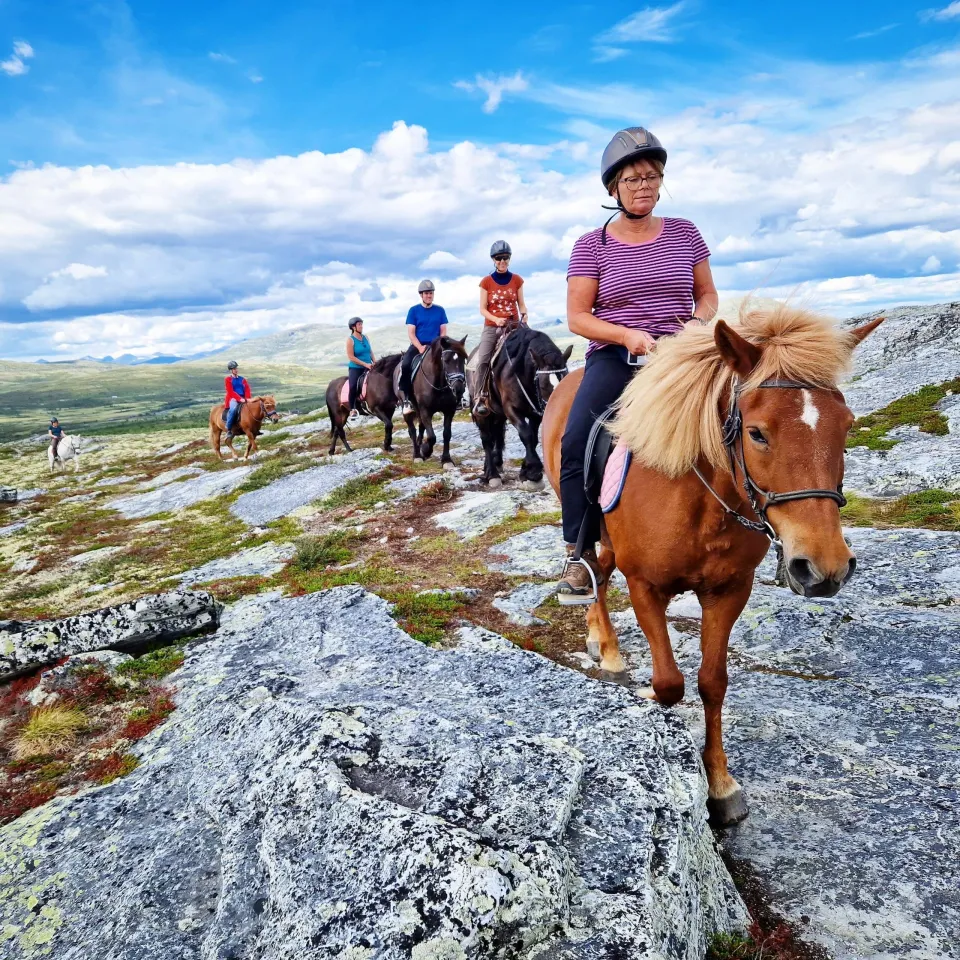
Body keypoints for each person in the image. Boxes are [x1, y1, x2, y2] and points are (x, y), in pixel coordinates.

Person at [556, 126, 719, 604]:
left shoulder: (685, 232)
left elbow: (707, 294)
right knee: (578, 438)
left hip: (683, 353)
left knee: (752, 416)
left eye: (653, 176)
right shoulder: (592, 245)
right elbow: (577, 317)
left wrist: (695, 322)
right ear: (613, 188)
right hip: (618, 356)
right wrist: (626, 334)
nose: (644, 185)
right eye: (633, 179)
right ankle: (579, 552)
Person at [472, 240, 528, 416]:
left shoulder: (517, 280)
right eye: (498, 258)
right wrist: (496, 319)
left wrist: (525, 315)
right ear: (493, 260)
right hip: (492, 326)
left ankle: (535, 392)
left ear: (509, 259)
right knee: (483, 358)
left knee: (533, 353)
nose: (502, 261)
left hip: (515, 324)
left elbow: (522, 305)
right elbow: (482, 309)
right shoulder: (486, 282)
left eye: (505, 257)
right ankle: (480, 396)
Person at [399, 279, 449, 414]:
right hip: (418, 345)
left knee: (452, 362)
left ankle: (456, 397)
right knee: (405, 365)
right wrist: (420, 347)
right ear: (421, 295)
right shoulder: (413, 311)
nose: (429, 295)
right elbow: (411, 333)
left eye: (431, 293)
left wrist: (440, 343)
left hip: (436, 345)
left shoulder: (440, 310)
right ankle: (407, 400)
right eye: (426, 293)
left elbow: (443, 330)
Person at [345, 317, 375, 421]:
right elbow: (351, 357)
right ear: (353, 327)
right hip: (356, 368)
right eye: (359, 325)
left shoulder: (366, 337)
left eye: (362, 324)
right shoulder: (350, 340)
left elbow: (370, 351)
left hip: (369, 366)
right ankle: (352, 409)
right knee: (353, 386)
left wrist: (374, 362)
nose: (361, 326)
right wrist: (365, 364)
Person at [223, 361, 250, 437]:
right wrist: (239, 399)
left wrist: (247, 398)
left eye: (236, 368)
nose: (236, 370)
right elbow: (230, 391)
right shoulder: (228, 379)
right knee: (233, 410)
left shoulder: (242, 379)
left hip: (243, 398)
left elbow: (247, 389)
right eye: (234, 369)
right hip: (233, 398)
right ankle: (228, 429)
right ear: (231, 370)